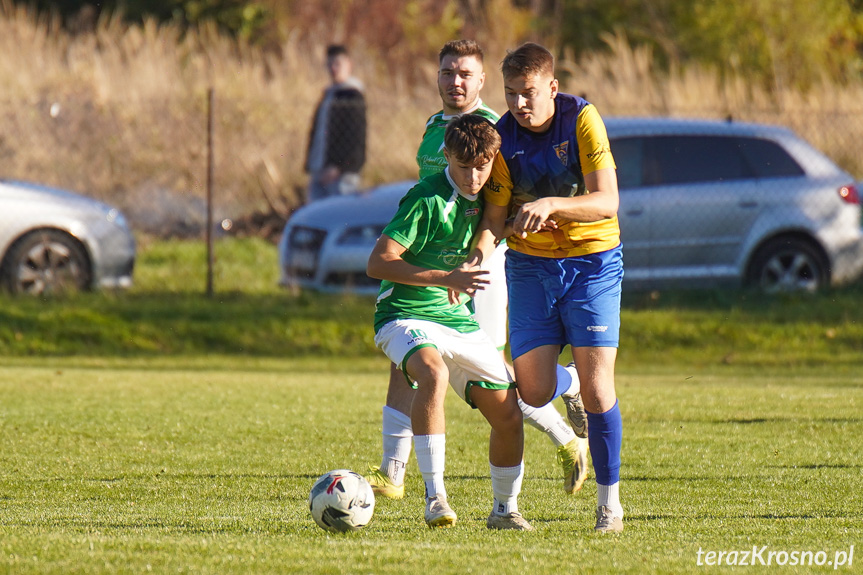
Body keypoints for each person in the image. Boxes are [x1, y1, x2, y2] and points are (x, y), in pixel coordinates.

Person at [366, 39, 588, 503]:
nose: (455, 81)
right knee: (407, 365)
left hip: (479, 267)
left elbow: (496, 205)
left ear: (482, 80)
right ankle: (393, 473)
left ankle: (565, 425)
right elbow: (436, 196)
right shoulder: (433, 127)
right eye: (448, 72)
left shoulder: (493, 131)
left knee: (500, 376)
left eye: (465, 74)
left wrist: (483, 250)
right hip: (440, 268)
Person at [469, 42, 625, 534]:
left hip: (592, 264)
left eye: (529, 93)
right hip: (532, 268)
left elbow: (608, 201)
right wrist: (471, 265)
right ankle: (569, 382)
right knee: (533, 392)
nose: (519, 104)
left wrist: (553, 204)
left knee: (601, 392)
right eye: (511, 93)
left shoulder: (581, 119)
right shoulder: (502, 138)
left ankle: (609, 505)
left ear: (552, 87)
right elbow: (495, 219)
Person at [366, 114, 533, 531]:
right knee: (433, 373)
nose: (474, 176)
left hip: (457, 320)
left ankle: (504, 510)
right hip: (403, 314)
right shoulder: (425, 198)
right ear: (446, 157)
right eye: (464, 166)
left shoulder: (489, 194)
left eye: (483, 166)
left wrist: (515, 227)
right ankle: (435, 496)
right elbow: (378, 262)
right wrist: (449, 278)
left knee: (509, 414)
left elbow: (491, 229)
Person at [304, 44, 367, 203]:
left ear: (349, 65)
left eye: (337, 63)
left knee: (341, 214)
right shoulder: (328, 95)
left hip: (342, 175)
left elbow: (356, 139)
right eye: (329, 64)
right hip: (320, 169)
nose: (333, 68)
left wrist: (339, 167)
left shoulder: (353, 96)